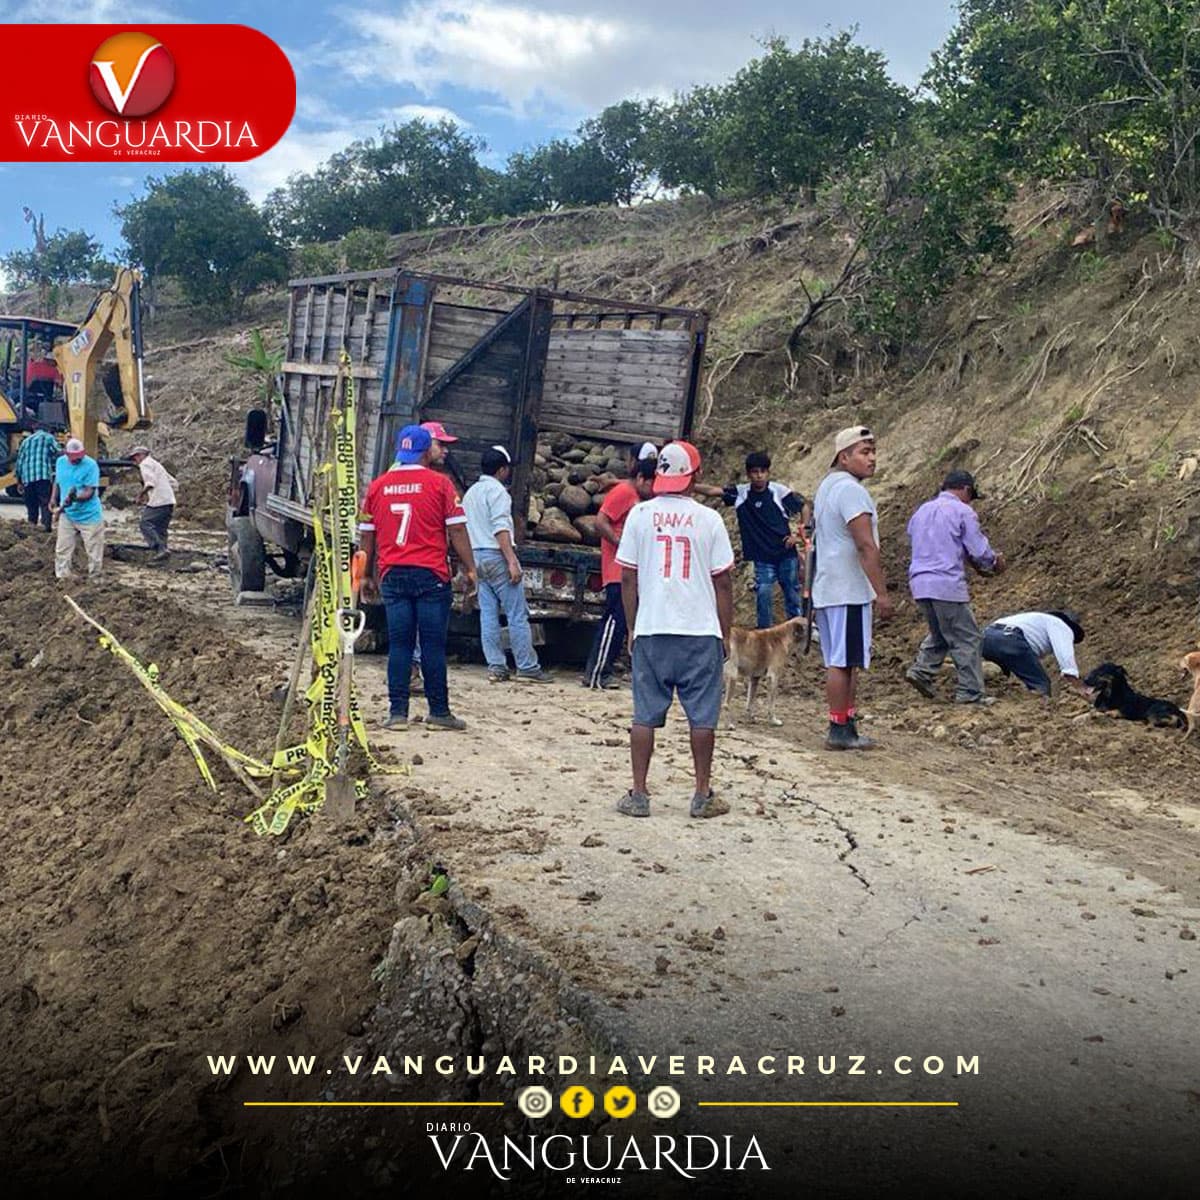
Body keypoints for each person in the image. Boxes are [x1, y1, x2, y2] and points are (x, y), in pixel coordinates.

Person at [615, 440, 735, 820]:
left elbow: (628, 578)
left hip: (652, 628)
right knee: (703, 717)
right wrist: (725, 632)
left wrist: (632, 627)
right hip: (700, 631)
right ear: (694, 476)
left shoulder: (639, 515)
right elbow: (723, 583)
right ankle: (702, 794)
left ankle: (639, 794)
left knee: (644, 715)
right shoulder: (710, 520)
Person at [359, 425, 476, 731]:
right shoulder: (441, 485)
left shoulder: (377, 486)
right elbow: (457, 529)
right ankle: (439, 712)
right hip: (430, 575)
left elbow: (367, 536)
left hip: (393, 574)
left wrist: (366, 575)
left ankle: (397, 712)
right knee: (432, 645)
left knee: (400, 644)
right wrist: (470, 568)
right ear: (426, 452)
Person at [812, 425, 893, 750]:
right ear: (844, 457)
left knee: (842, 659)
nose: (872, 459)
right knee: (844, 661)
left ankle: (844, 721)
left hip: (828, 586)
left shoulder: (827, 486)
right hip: (848, 588)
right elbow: (865, 545)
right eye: (864, 452)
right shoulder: (850, 491)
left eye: (873, 452)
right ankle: (840, 728)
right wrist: (881, 593)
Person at [905, 469, 1006, 705]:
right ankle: (970, 692)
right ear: (966, 490)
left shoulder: (921, 511)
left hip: (919, 583)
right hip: (946, 583)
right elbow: (979, 550)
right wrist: (995, 561)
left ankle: (922, 670)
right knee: (967, 637)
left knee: (941, 632)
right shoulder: (962, 511)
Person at [463, 444, 551, 684]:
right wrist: (512, 561)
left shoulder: (471, 493)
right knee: (516, 614)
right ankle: (527, 666)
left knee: (488, 614)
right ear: (501, 470)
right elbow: (500, 528)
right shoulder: (498, 493)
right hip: (496, 555)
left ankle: (496, 666)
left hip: (476, 555)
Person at [698, 451, 809, 627]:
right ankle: (764, 632)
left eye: (763, 471)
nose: (759, 476)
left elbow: (804, 507)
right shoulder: (742, 493)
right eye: (755, 472)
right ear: (749, 474)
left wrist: (799, 534)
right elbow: (713, 491)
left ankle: (798, 629)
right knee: (763, 593)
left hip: (785, 553)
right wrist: (689, 485)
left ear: (768, 472)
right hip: (762, 556)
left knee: (792, 593)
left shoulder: (778, 492)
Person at [581, 451, 657, 689]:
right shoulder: (624, 493)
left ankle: (605, 670)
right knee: (614, 620)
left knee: (623, 621)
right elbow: (600, 521)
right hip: (617, 570)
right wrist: (621, 544)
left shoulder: (636, 495)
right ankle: (597, 672)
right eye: (653, 484)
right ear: (642, 478)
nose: (655, 490)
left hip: (630, 570)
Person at [981, 610, 1092, 699]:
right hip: (1010, 639)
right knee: (1040, 684)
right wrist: (1075, 681)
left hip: (986, 637)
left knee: (998, 679)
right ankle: (1042, 712)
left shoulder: (1035, 620)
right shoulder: (1060, 625)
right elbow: (1064, 653)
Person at [51, 437, 104, 579]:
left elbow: (89, 491)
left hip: (89, 515)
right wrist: (53, 498)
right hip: (68, 514)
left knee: (94, 549)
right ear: (66, 454)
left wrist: (74, 498)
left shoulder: (91, 465)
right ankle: (62, 576)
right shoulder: (61, 462)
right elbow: (57, 481)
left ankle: (95, 577)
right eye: (73, 459)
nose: (76, 461)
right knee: (63, 548)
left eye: (79, 458)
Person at [129, 444, 177, 561]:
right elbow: (174, 483)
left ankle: (160, 549)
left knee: (145, 523)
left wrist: (141, 495)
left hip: (159, 501)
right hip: (169, 500)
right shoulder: (156, 464)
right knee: (161, 528)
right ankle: (163, 554)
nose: (135, 460)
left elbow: (150, 483)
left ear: (141, 455)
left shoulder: (145, 464)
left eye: (135, 457)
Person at [13, 422, 58, 530]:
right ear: (47, 429)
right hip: (43, 476)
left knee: (31, 505)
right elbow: (58, 453)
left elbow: (19, 463)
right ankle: (45, 528)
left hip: (27, 478)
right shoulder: (48, 438)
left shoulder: (26, 441)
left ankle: (32, 527)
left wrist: (19, 481)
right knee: (45, 503)